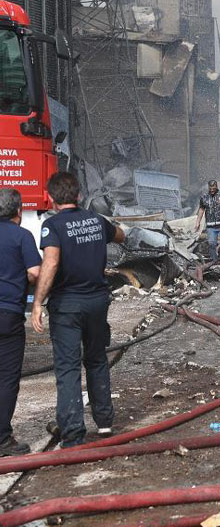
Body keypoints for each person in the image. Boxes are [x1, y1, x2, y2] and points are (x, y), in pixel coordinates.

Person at [31, 172, 125, 448]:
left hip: (67, 306)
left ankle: (73, 434)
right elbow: (119, 235)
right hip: (97, 302)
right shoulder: (96, 220)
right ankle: (105, 422)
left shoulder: (53, 226)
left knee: (68, 367)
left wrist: (37, 303)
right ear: (80, 196)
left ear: (50, 198)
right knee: (96, 360)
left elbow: (50, 264)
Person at [0, 189, 41, 456]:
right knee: (7, 376)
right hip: (8, 314)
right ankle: (3, 439)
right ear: (18, 211)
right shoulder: (22, 236)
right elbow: (35, 272)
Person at [195, 179, 220, 264]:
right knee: (212, 243)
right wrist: (198, 222)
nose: (212, 190)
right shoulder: (204, 197)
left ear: (216, 186)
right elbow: (201, 209)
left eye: (213, 188)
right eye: (210, 188)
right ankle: (214, 261)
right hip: (210, 226)